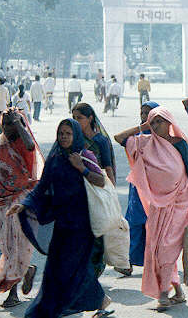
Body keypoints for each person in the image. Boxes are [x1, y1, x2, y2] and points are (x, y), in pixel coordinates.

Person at [11, 118, 113, 318]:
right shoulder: (55, 158)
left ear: (75, 135)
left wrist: (81, 168)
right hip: (63, 223)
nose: (64, 137)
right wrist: (24, 204)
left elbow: (101, 181)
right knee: (56, 267)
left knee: (76, 267)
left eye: (68, 133)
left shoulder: (85, 155)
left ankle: (96, 301)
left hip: (83, 225)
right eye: (61, 134)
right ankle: (54, 306)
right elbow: (42, 188)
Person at [114, 107, 188, 311]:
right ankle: (177, 291)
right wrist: (142, 127)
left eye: (160, 121)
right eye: (153, 122)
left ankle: (163, 294)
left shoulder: (180, 144)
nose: (156, 126)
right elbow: (119, 138)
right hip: (157, 207)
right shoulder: (145, 143)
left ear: (169, 122)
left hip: (180, 205)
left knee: (166, 248)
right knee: (157, 250)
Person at [0, 109, 42, 307]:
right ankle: (27, 270)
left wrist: (20, 123)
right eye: (5, 123)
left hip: (20, 201)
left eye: (11, 124)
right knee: (7, 247)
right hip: (3, 203)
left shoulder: (23, 144)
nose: (7, 127)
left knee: (16, 246)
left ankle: (13, 294)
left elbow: (30, 146)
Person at [71, 103, 116, 278]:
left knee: (97, 233)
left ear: (90, 118)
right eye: (74, 118)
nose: (76, 121)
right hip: (77, 192)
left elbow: (107, 167)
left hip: (96, 189)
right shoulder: (72, 139)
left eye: (79, 118)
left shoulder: (100, 141)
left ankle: (94, 272)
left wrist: (110, 193)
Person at [119, 101, 160, 277]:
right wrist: (140, 127)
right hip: (137, 187)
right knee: (134, 223)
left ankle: (157, 264)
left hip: (156, 188)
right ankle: (128, 262)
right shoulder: (138, 138)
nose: (145, 117)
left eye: (148, 114)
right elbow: (119, 138)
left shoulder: (164, 138)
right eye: (142, 113)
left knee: (154, 227)